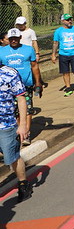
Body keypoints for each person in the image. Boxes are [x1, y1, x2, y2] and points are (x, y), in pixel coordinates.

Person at [0, 28, 43, 145]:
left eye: (16, 38)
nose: (13, 40)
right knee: (14, 111)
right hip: (8, 87)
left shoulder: (28, 49)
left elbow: (34, 66)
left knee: (28, 109)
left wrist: (38, 82)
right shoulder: (2, 51)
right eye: (11, 38)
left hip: (26, 85)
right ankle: (20, 130)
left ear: (20, 38)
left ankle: (27, 133)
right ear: (8, 39)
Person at [0, 65, 33, 202]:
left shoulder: (10, 73)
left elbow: (21, 98)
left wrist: (23, 125)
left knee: (11, 157)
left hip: (6, 125)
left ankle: (23, 183)